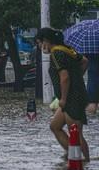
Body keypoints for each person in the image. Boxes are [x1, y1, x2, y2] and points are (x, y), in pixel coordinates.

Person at [36, 27, 90, 162]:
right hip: (74, 95)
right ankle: (72, 154)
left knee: (75, 133)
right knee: (55, 126)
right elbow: (84, 61)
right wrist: (77, 78)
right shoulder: (66, 49)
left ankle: (83, 161)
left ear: (46, 41)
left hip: (71, 98)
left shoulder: (56, 53)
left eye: (39, 43)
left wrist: (64, 99)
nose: (39, 47)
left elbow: (64, 77)